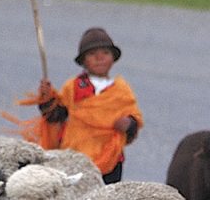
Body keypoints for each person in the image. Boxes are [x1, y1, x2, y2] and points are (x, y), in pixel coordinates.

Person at [22, 27, 143, 184]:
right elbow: (56, 116)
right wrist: (47, 100)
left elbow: (134, 118)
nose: (99, 58)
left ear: (113, 58)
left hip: (110, 161)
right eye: (92, 54)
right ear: (83, 61)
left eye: (105, 53)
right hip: (75, 157)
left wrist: (128, 123)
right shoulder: (73, 87)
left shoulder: (122, 90)